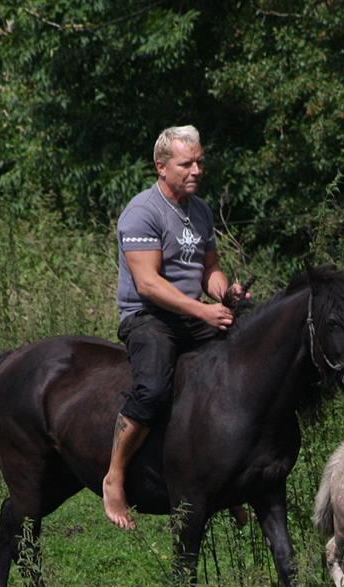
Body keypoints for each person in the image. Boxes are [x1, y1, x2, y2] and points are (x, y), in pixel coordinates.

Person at [102, 125, 245, 530]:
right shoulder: (142, 212)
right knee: (153, 389)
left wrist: (224, 294)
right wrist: (202, 314)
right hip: (148, 317)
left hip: (190, 313)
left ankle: (226, 479)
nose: (196, 170)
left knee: (244, 364)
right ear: (161, 167)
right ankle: (115, 475)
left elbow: (210, 270)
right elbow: (148, 284)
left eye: (200, 161)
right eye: (187, 163)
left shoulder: (199, 209)